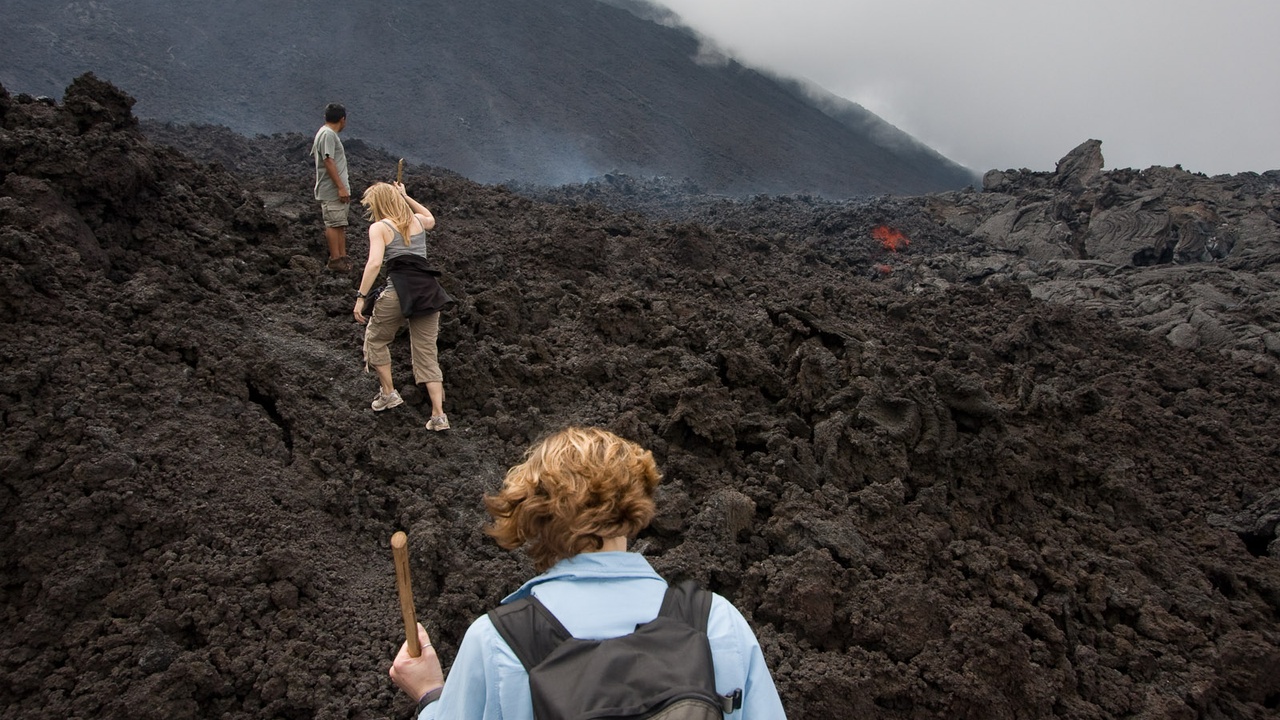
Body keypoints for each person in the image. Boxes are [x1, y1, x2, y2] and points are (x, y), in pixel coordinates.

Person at [388, 427, 787, 719]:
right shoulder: (715, 621)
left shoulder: (497, 643)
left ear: (533, 517)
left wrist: (429, 693)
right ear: (636, 503)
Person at [354, 182, 452, 430]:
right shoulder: (418, 222)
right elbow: (430, 217)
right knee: (427, 353)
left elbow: (375, 263)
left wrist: (361, 296)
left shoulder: (379, 228)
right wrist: (406, 196)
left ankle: (388, 393)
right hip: (428, 293)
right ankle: (439, 416)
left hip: (398, 292)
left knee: (376, 339)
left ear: (377, 205)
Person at [312, 102, 352, 272]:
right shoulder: (327, 134)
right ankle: (336, 260)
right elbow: (328, 160)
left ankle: (342, 258)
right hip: (332, 190)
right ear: (343, 119)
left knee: (339, 223)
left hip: (336, 190)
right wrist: (340, 187)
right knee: (333, 223)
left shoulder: (326, 133)